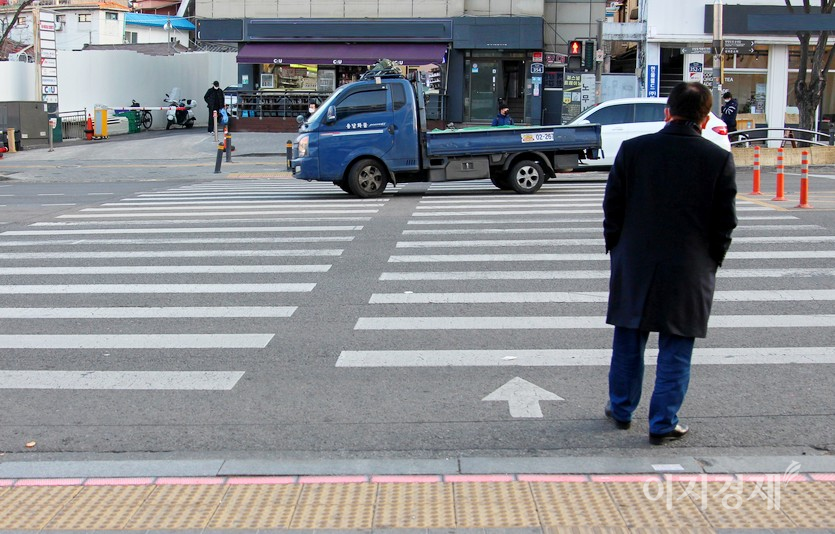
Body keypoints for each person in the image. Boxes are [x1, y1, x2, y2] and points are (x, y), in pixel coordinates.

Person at [602, 81, 737, 445]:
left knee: (629, 336)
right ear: (706, 118)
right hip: (690, 266)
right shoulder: (717, 158)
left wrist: (617, 248)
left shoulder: (633, 150)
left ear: (667, 111)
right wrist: (712, 259)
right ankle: (662, 424)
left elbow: (612, 207)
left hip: (636, 260)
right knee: (677, 344)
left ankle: (621, 409)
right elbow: (724, 221)